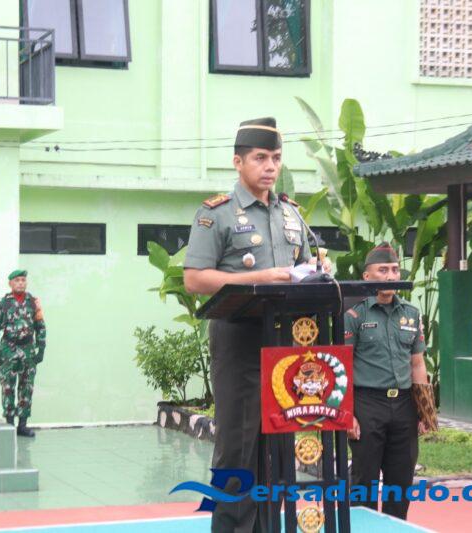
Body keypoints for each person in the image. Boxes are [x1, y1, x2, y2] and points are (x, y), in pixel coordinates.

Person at [183, 117, 330, 532]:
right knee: (239, 447)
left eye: (276, 158)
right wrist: (258, 279)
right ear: (238, 162)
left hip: (285, 344)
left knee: (277, 449)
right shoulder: (217, 214)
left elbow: (301, 267)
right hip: (239, 342)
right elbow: (195, 279)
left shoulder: (291, 213)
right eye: (260, 158)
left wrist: (318, 271)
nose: (270, 166)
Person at [343, 242, 436, 519]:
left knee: (401, 481)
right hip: (367, 404)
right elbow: (343, 367)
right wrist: (347, 414)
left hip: (404, 405)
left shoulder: (411, 313)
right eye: (382, 270)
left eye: (395, 269)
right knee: (364, 481)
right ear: (367, 276)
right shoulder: (354, 315)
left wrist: (425, 411)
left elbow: (417, 364)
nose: (391, 276)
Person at [0, 269, 46, 437]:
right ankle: (9, 423)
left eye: (23, 280)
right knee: (8, 386)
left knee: (26, 387)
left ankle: (22, 425)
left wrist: (41, 348)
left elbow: (40, 326)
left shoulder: (33, 302)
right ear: (10, 283)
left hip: (28, 349)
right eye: (17, 280)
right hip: (8, 349)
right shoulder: (2, 303)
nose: (20, 283)